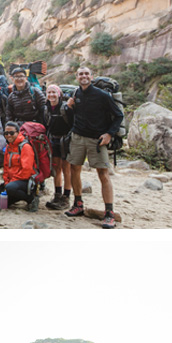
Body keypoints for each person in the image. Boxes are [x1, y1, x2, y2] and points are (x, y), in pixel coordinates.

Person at [64, 66, 124, 228]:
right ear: (77, 77)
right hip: (77, 137)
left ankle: (109, 213)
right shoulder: (76, 94)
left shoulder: (102, 95)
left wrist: (109, 134)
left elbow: (119, 115)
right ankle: (78, 204)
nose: (83, 76)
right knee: (74, 169)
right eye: (80, 74)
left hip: (96, 140)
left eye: (86, 74)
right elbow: (72, 117)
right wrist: (69, 108)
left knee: (103, 174)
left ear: (92, 76)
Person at [44, 84, 74, 210]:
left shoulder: (65, 108)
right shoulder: (46, 108)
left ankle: (66, 197)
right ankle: (57, 195)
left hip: (65, 140)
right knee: (56, 168)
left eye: (54, 92)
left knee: (66, 168)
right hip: (53, 140)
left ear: (59, 94)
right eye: (49, 92)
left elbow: (73, 123)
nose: (51, 95)